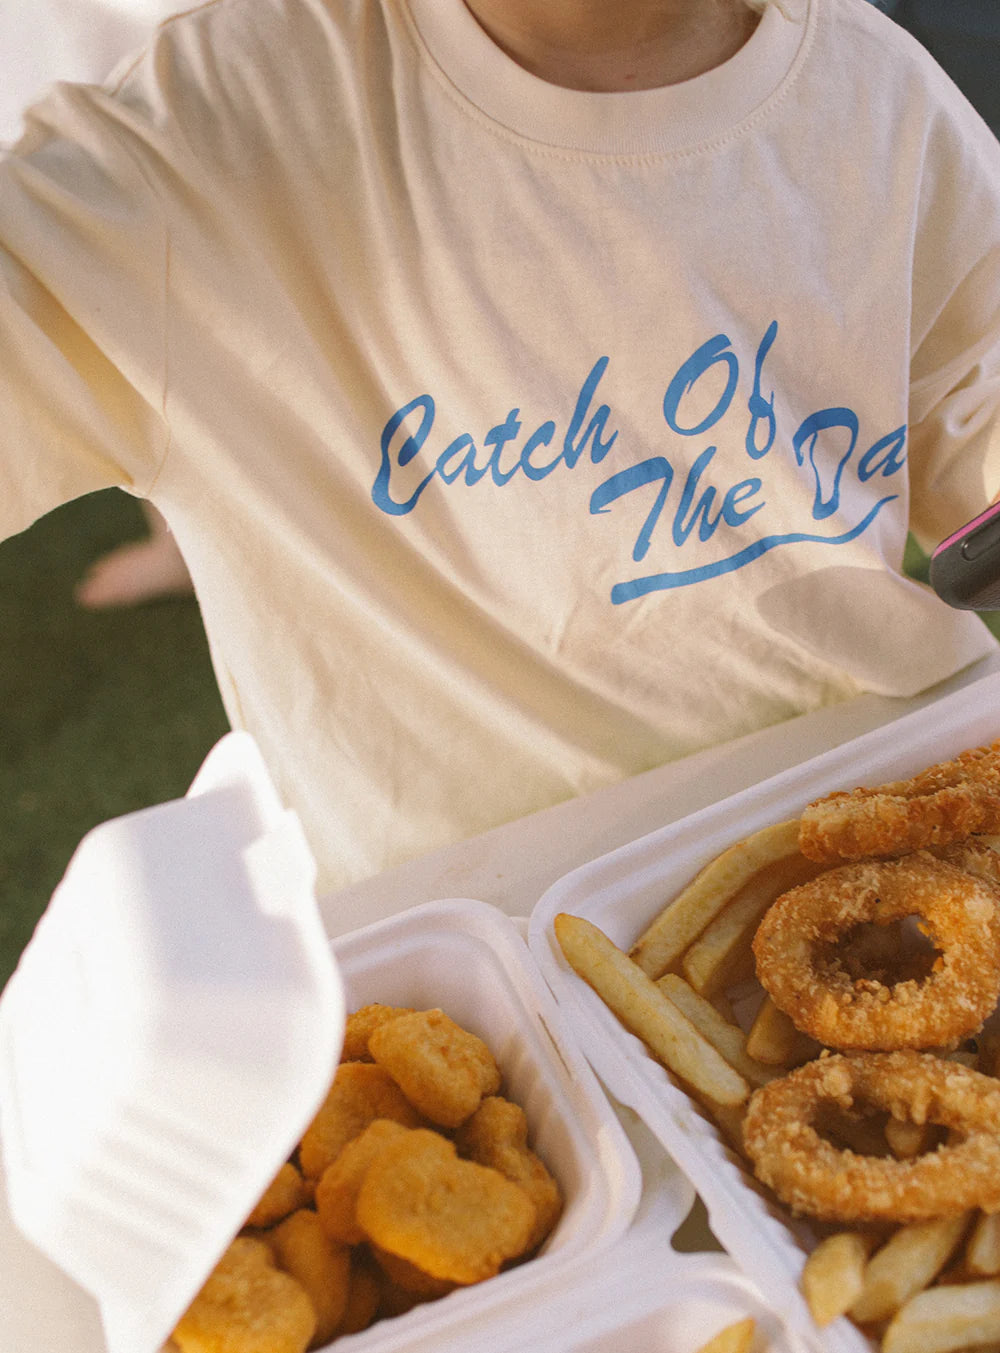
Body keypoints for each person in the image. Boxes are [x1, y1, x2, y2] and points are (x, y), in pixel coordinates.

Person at [2, 0, 1000, 899]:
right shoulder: (195, 140)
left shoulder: (879, 93)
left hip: (888, 816)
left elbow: (969, 401)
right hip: (481, 933)